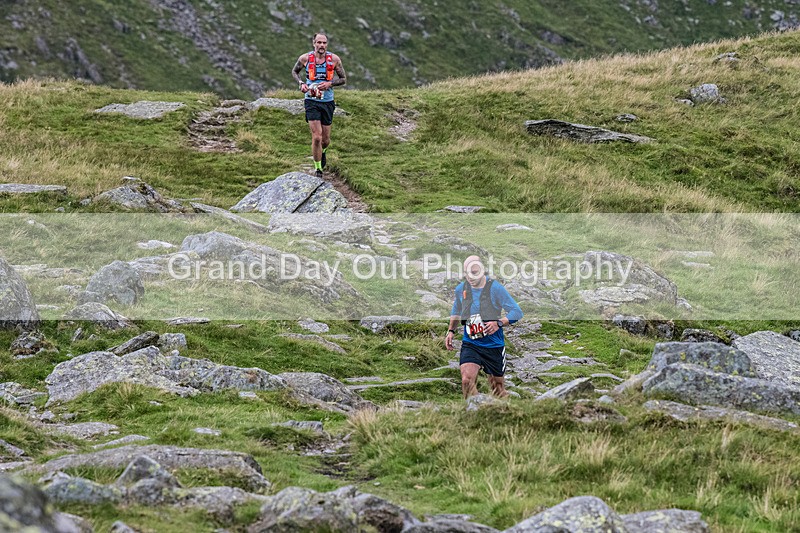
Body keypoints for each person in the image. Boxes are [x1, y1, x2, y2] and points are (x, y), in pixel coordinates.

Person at [445, 255, 523, 399]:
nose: (470, 277)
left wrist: (498, 323)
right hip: (471, 343)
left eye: (474, 273)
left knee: (497, 389)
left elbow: (517, 312)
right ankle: (474, 412)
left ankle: (505, 413)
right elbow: (456, 311)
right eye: (467, 273)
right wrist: (451, 331)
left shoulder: (496, 288)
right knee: (466, 380)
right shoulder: (461, 289)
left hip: (494, 345)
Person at [291, 32, 347, 178]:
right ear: (314, 43)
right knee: (316, 137)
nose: (321, 45)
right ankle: (318, 170)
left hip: (327, 101)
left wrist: (330, 83)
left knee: (325, 140)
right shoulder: (305, 58)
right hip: (311, 100)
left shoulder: (334, 59)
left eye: (324, 43)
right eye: (319, 42)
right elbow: (295, 71)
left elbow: (343, 79)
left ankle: (323, 151)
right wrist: (301, 83)